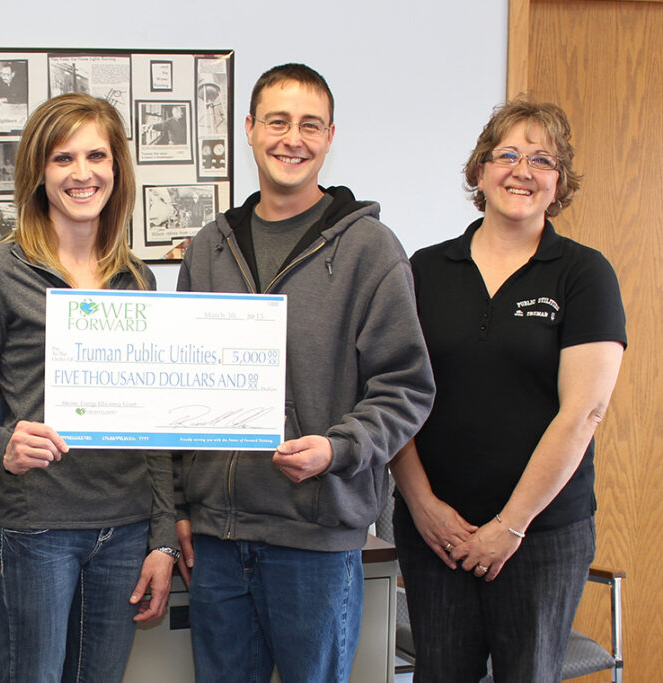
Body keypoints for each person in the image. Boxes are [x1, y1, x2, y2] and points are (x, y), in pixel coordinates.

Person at [175, 63, 435, 682]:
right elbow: (178, 389)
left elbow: (406, 387)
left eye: (310, 125)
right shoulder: (209, 248)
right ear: (249, 128)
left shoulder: (371, 249)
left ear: (330, 136)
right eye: (278, 121)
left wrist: (338, 448)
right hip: (217, 537)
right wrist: (180, 507)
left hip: (315, 538)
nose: (293, 138)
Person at [0, 92, 178, 682]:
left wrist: (161, 538)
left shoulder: (137, 277)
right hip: (35, 527)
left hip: (124, 529)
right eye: (62, 158)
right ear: (38, 172)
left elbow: (150, 417)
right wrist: (4, 446)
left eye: (96, 155)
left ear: (117, 167)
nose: (82, 173)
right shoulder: (0, 271)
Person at [390, 99, 626, 683]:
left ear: (558, 184)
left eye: (542, 160)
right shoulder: (423, 270)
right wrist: (423, 508)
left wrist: (511, 525)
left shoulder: (583, 274)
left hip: (541, 535)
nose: (523, 170)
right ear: (479, 170)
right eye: (508, 155)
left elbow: (584, 411)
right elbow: (393, 397)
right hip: (436, 533)